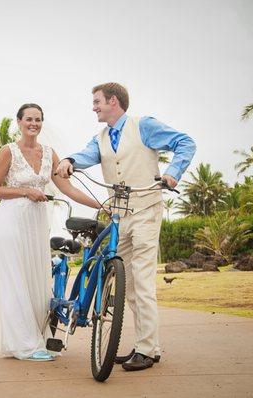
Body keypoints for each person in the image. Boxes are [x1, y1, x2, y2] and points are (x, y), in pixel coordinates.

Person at [56, 83, 196, 371]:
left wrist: (171, 174)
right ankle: (147, 345)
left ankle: (147, 349)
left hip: (145, 210)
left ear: (114, 101)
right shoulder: (102, 137)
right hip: (120, 215)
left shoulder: (143, 125)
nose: (93, 107)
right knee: (128, 285)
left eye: (97, 102)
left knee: (143, 281)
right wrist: (70, 160)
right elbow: (86, 155)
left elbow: (185, 142)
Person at [0, 103, 100, 361]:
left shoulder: (49, 153)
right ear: (19, 121)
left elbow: (68, 188)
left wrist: (99, 204)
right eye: (28, 119)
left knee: (35, 280)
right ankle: (25, 344)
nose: (33, 124)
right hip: (11, 223)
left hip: (36, 225)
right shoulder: (8, 152)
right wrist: (25, 191)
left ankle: (36, 338)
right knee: (16, 281)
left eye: (38, 120)